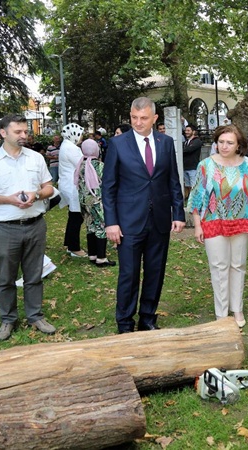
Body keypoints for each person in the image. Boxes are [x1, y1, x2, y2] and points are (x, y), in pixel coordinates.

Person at [102, 97, 185, 333]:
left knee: (155, 271)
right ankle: (125, 322)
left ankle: (148, 317)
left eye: (143, 118)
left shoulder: (166, 143)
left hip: (159, 219)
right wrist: (112, 222)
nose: (138, 123)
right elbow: (108, 187)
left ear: (154, 118)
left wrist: (178, 213)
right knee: (128, 273)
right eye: (134, 118)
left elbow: (173, 181)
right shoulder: (118, 144)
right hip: (128, 221)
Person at [0, 115, 57, 340]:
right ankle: (8, 320)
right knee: (6, 278)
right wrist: (8, 200)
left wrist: (36, 194)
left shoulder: (36, 159)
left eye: (25, 131)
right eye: (18, 132)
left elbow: (49, 188)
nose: (24, 135)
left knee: (34, 275)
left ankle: (35, 315)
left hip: (35, 225)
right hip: (5, 228)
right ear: (3, 133)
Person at [188, 124, 248, 328]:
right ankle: (221, 314)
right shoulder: (206, 165)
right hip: (213, 221)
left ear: (238, 144)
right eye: (221, 142)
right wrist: (197, 225)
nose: (224, 146)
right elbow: (196, 196)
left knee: (238, 265)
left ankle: (237, 308)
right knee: (219, 266)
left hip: (241, 220)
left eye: (229, 142)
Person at [76, 139, 115, 267]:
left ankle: (92, 255)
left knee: (90, 226)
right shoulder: (99, 165)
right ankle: (101, 258)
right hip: (96, 202)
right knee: (101, 226)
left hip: (83, 202)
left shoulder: (80, 164)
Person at [58, 123, 88, 257]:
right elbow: (81, 165)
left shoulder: (67, 145)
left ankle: (70, 243)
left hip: (68, 184)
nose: (81, 137)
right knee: (77, 217)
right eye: (80, 134)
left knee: (74, 216)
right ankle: (74, 248)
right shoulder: (71, 148)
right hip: (72, 186)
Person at [182, 124, 203, 199]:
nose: (186, 132)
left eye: (188, 130)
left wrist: (180, 150)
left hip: (193, 167)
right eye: (185, 130)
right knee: (187, 185)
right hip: (185, 167)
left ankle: (195, 200)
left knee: (194, 185)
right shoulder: (185, 142)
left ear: (193, 132)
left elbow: (189, 150)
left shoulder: (197, 141)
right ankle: (189, 200)